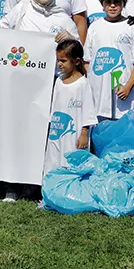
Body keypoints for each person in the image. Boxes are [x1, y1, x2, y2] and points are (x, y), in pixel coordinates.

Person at [83, 0, 134, 121]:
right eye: (108, 1)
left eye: (117, 2)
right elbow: (87, 60)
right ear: (102, 4)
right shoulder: (94, 27)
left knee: (119, 133)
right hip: (97, 97)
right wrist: (94, 82)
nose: (112, 5)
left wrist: (128, 87)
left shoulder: (132, 27)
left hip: (122, 94)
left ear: (124, 3)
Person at [42, 39, 97, 177]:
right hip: (57, 131)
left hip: (74, 134)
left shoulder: (82, 84)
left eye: (63, 61)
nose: (59, 64)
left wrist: (84, 133)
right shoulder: (59, 81)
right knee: (53, 159)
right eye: (58, 60)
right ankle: (50, 190)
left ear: (77, 61)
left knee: (71, 161)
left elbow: (89, 109)